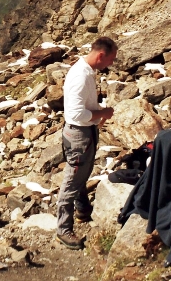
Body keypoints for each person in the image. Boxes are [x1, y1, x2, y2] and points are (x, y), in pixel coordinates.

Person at [56, 36, 117, 250]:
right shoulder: (80, 76)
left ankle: (82, 209)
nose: (111, 64)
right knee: (72, 179)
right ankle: (63, 229)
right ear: (101, 55)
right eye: (110, 59)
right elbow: (76, 113)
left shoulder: (86, 71)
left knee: (81, 173)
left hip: (82, 133)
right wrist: (103, 112)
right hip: (79, 134)